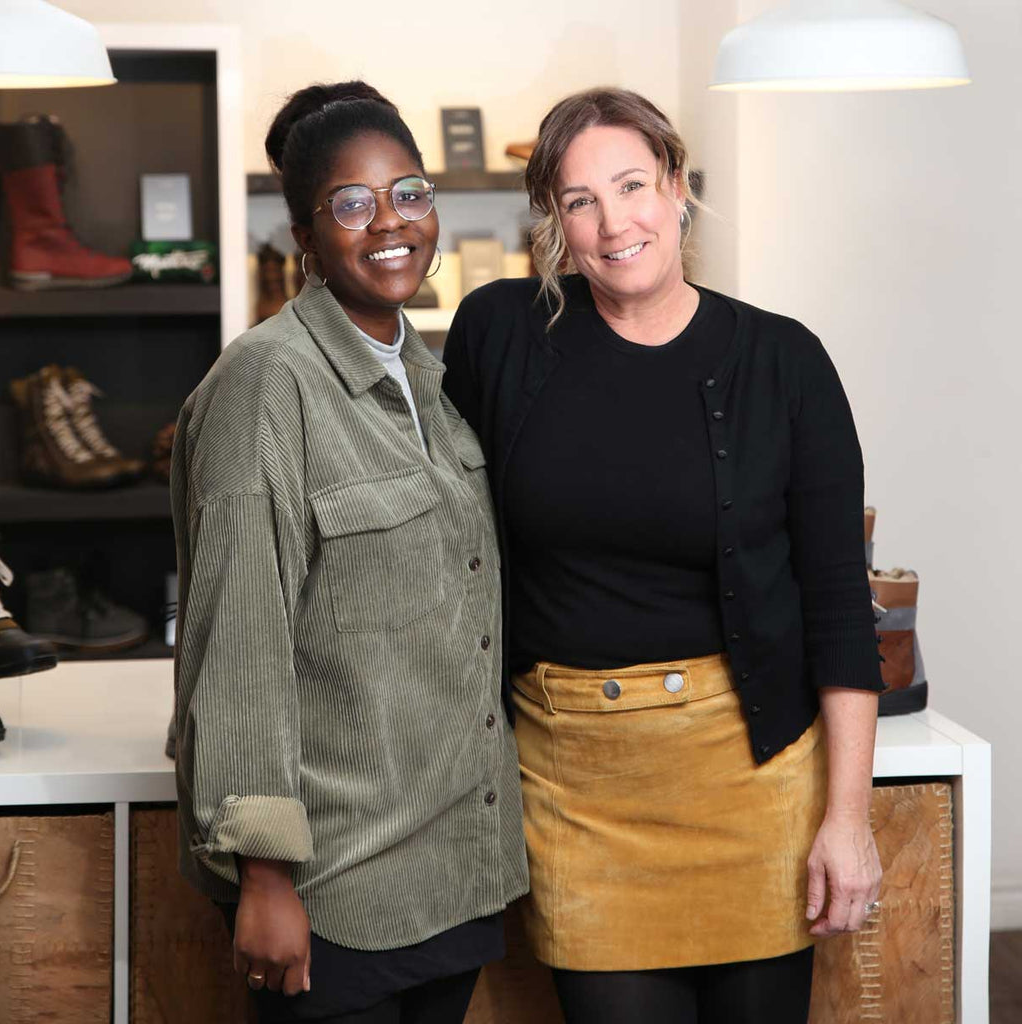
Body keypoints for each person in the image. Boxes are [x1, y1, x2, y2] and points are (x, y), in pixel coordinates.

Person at [442, 87, 885, 1024]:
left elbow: (840, 607)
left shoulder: (785, 362)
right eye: (579, 200)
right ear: (554, 220)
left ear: (677, 185)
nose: (614, 224)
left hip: (750, 779)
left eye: (633, 185)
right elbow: (443, 536)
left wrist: (848, 820)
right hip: (574, 788)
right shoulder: (499, 334)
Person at [171, 81, 528, 1024]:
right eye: (353, 204)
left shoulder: (429, 377)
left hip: (452, 868)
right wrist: (264, 876)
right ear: (306, 235)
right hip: (332, 888)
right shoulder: (265, 383)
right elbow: (239, 643)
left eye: (408, 193)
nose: (391, 223)